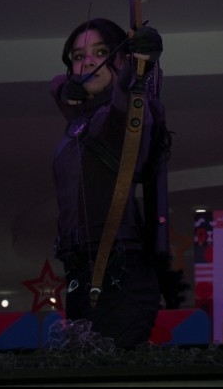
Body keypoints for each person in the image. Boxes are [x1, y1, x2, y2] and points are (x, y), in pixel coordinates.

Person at [50, 17, 170, 348]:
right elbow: (55, 83)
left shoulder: (120, 113)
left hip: (120, 275)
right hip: (81, 273)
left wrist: (139, 62)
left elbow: (128, 91)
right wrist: (64, 87)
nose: (89, 61)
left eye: (101, 52)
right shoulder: (81, 118)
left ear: (120, 58)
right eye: (79, 56)